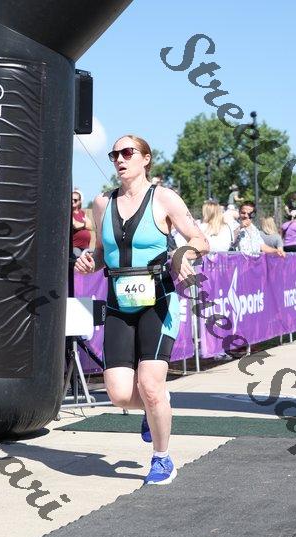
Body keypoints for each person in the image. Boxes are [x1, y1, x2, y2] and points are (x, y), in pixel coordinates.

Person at [75, 134, 208, 485]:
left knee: (149, 385)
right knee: (120, 394)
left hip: (158, 302)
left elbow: (200, 240)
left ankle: (162, 459)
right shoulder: (102, 203)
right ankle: (155, 406)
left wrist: (181, 254)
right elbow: (101, 253)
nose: (119, 159)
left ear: (145, 158)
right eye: (114, 154)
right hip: (119, 304)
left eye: (127, 152)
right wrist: (89, 261)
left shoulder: (163, 198)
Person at [72, 189, 93, 257]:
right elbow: (75, 225)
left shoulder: (82, 213)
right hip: (75, 247)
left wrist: (81, 225)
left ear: (79, 201)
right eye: (71, 199)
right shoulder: (69, 213)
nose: (72, 201)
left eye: (75, 200)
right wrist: (84, 224)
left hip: (85, 247)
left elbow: (90, 226)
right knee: (77, 261)